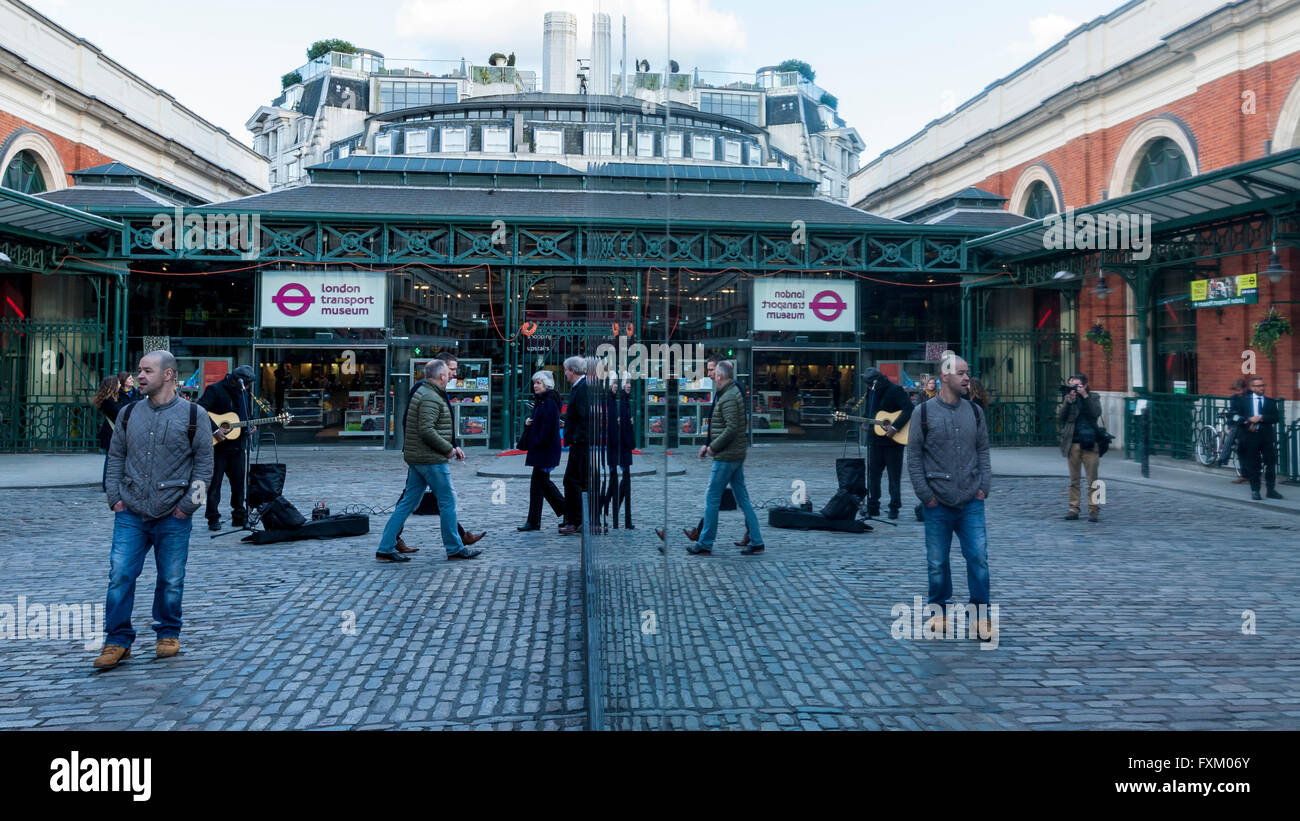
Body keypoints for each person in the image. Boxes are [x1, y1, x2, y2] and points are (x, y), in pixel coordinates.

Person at [94, 350, 213, 669]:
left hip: (173, 513)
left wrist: (188, 506)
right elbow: (115, 456)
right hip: (130, 512)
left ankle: (168, 633)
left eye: (147, 371)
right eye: (139, 370)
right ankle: (116, 641)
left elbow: (204, 467)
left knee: (171, 578)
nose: (140, 376)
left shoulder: (194, 415)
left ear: (169, 375)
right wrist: (114, 497)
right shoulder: (129, 413)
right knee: (120, 575)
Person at [906, 354, 993, 639]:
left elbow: (983, 450)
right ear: (944, 376)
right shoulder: (924, 412)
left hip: (971, 500)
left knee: (978, 558)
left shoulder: (975, 412)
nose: (967, 378)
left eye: (967, 372)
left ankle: (980, 617)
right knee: (937, 563)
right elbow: (914, 455)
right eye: (961, 373)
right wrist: (925, 495)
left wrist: (984, 487)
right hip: (937, 502)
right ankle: (939, 614)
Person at [375, 359, 481, 562]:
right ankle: (454, 548)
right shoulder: (431, 397)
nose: (451, 376)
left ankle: (385, 548)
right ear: (441, 376)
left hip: (418, 458)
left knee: (407, 503)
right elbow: (426, 430)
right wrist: (448, 449)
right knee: (447, 502)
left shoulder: (425, 392)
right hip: (430, 459)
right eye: (448, 373)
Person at [667, 360, 765, 556]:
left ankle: (705, 543)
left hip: (727, 456)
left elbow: (730, 429)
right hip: (735, 455)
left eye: (713, 372)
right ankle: (757, 540)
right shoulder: (728, 393)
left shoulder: (728, 396)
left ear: (720, 375)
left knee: (712, 499)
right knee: (743, 499)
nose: (710, 375)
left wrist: (713, 447)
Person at [196, 365, 255, 531]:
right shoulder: (215, 389)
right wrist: (215, 429)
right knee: (215, 484)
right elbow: (200, 409)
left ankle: (239, 516)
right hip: (218, 448)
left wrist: (250, 425)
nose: (248, 387)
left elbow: (246, 413)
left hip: (237, 445)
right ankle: (213, 518)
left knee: (239, 484)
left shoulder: (243, 391)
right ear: (237, 380)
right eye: (247, 383)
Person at [862, 367, 914, 520]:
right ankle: (873, 506)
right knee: (873, 476)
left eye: (869, 383)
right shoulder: (870, 392)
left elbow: (909, 409)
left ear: (877, 381)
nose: (868, 386)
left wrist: (895, 427)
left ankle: (894, 507)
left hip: (893, 442)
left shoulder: (895, 390)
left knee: (893, 477)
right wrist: (865, 421)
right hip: (875, 440)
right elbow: (869, 412)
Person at [517, 370, 565, 531]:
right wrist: (529, 424)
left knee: (540, 484)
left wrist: (535, 441)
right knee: (538, 485)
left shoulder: (549, 402)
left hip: (545, 449)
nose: (535, 386)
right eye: (534, 382)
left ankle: (567, 510)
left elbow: (548, 428)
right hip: (542, 449)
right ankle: (534, 521)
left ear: (547, 385)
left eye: (538, 383)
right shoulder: (542, 400)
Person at [1057, 373, 1104, 522]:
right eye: (1072, 385)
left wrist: (1084, 396)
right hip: (1073, 443)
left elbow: (1096, 413)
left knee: (1094, 480)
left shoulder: (1093, 397)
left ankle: (1094, 510)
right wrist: (1068, 401)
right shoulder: (1068, 398)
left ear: (1084, 385)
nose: (1074, 388)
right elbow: (1060, 418)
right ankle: (1073, 508)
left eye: (1077, 385)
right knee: (1074, 480)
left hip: (1090, 443)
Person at [1231, 375, 1283, 501]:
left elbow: (1276, 418)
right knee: (1253, 465)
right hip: (1249, 437)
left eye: (1263, 385)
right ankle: (1255, 491)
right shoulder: (1243, 401)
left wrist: (1261, 417)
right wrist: (1248, 423)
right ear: (1252, 387)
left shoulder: (1270, 401)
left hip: (1266, 437)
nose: (1262, 388)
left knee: (1270, 464)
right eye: (1259, 386)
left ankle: (1271, 490)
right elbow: (1234, 417)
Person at [559, 356, 591, 536]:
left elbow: (584, 416)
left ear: (572, 370)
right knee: (578, 482)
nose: (564, 374)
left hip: (581, 444)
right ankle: (578, 520)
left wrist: (577, 438)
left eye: (565, 370)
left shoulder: (582, 388)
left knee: (571, 481)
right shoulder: (579, 387)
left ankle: (575, 520)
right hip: (579, 442)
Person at [600, 375, 635, 530]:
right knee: (619, 481)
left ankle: (609, 506)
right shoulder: (615, 400)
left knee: (623, 482)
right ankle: (608, 507)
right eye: (625, 383)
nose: (628, 386)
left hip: (623, 444)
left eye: (630, 383)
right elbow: (613, 423)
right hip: (618, 445)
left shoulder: (624, 399)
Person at [94, 376, 123, 490]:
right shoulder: (108, 401)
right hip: (110, 432)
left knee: (110, 459)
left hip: (110, 431)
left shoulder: (110, 399)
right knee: (110, 459)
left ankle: (108, 484)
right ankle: (107, 485)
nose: (120, 386)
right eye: (118, 384)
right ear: (112, 386)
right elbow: (118, 414)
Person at [1221, 378, 1249, 483]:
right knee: (1240, 449)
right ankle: (1244, 475)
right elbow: (1232, 413)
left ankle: (1223, 457)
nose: (1237, 393)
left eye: (1239, 390)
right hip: (1238, 425)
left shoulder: (1250, 396)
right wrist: (1228, 427)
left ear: (1245, 388)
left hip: (1248, 424)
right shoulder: (1233, 398)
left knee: (1246, 450)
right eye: (1236, 390)